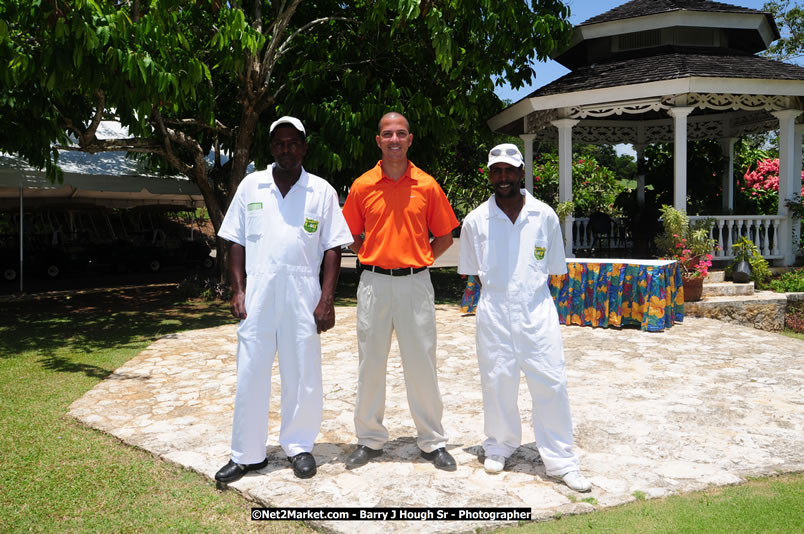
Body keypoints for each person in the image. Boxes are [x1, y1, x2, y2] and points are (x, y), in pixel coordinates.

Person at [214, 116, 353, 483]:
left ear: (304, 148)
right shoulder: (251, 185)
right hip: (257, 292)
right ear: (271, 147)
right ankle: (247, 453)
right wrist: (238, 289)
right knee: (251, 372)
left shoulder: (321, 191)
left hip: (302, 293)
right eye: (279, 143)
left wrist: (326, 298)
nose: (286, 149)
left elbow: (333, 247)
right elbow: (236, 241)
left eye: (293, 143)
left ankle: (299, 446)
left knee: (303, 372)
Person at [457, 143, 592, 492]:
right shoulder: (475, 221)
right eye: (496, 171)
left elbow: (553, 268)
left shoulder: (544, 215)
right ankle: (499, 444)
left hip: (537, 309)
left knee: (551, 382)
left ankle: (561, 460)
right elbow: (472, 271)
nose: (503, 178)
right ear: (489, 175)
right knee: (497, 381)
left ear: (521, 172)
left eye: (509, 170)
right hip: (494, 311)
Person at [341, 112, 459, 471]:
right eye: (387, 134)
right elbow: (350, 234)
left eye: (401, 134)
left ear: (410, 139)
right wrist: (370, 254)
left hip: (415, 283)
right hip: (374, 282)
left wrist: (421, 258)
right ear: (378, 140)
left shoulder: (427, 185)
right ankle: (369, 439)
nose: (394, 139)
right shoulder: (362, 186)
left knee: (421, 362)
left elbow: (445, 235)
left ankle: (432, 441)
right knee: (370, 363)